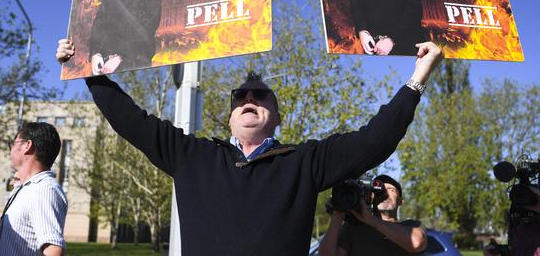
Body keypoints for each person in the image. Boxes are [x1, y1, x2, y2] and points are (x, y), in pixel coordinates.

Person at [56, 39, 442, 255]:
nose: (248, 99)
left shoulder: (304, 162)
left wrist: (419, 77)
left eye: (260, 96)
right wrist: (87, 70)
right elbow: (130, 121)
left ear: (276, 117)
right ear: (229, 118)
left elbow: (375, 141)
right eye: (240, 96)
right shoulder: (192, 156)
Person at [0, 122, 68, 256]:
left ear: (27, 146)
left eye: (13, 144)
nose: (11, 149)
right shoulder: (26, 188)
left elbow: (53, 250)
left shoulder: (44, 189)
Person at [88, 0, 162, 74]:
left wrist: (121, 56)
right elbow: (99, 23)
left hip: (136, 58)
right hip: (105, 61)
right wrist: (95, 53)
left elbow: (149, 23)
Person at [319, 175, 427, 256]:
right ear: (371, 197)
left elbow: (417, 242)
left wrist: (371, 220)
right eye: (380, 191)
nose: (385, 194)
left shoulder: (411, 226)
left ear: (400, 201)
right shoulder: (352, 229)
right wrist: (337, 215)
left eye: (391, 190)